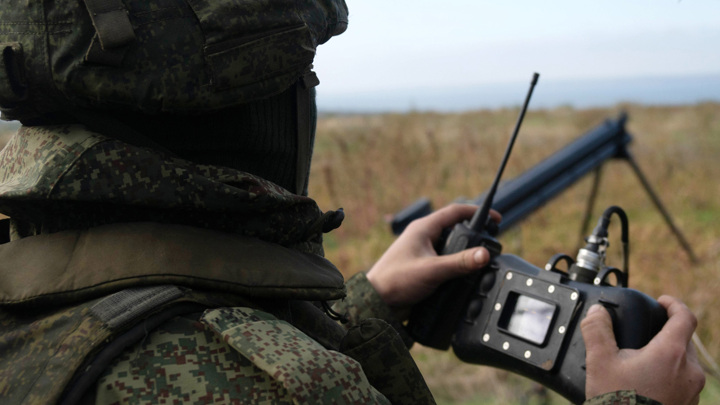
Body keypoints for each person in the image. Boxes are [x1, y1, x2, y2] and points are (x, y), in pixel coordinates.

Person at [0, 1, 704, 404]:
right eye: (300, 72)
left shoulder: (32, 288)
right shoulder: (276, 387)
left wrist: (366, 313)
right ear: (253, 103)